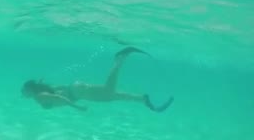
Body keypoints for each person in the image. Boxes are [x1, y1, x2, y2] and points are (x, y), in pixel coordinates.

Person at [21, 47, 174, 112]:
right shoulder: (43, 90)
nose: (23, 95)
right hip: (77, 89)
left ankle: (120, 59)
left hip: (78, 93)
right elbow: (60, 90)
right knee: (110, 96)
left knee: (108, 92)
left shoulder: (39, 97)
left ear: (30, 90)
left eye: (24, 92)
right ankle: (142, 100)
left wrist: (77, 108)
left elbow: (57, 97)